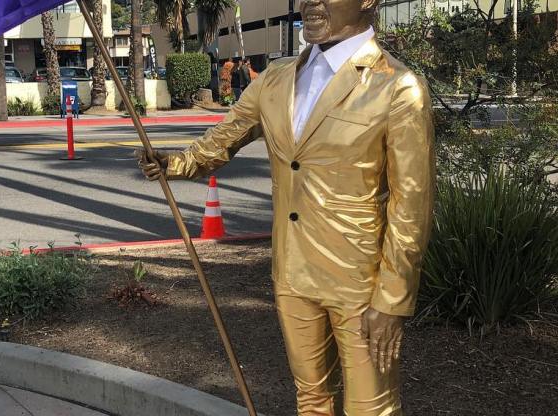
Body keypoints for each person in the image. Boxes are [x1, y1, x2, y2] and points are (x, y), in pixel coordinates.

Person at [136, 0, 435, 414]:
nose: (311, 3)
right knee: (311, 399)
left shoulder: (397, 87)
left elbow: (411, 205)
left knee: (372, 409)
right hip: (292, 272)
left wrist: (392, 298)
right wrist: (174, 163)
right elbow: (222, 140)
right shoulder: (276, 79)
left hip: (361, 283)